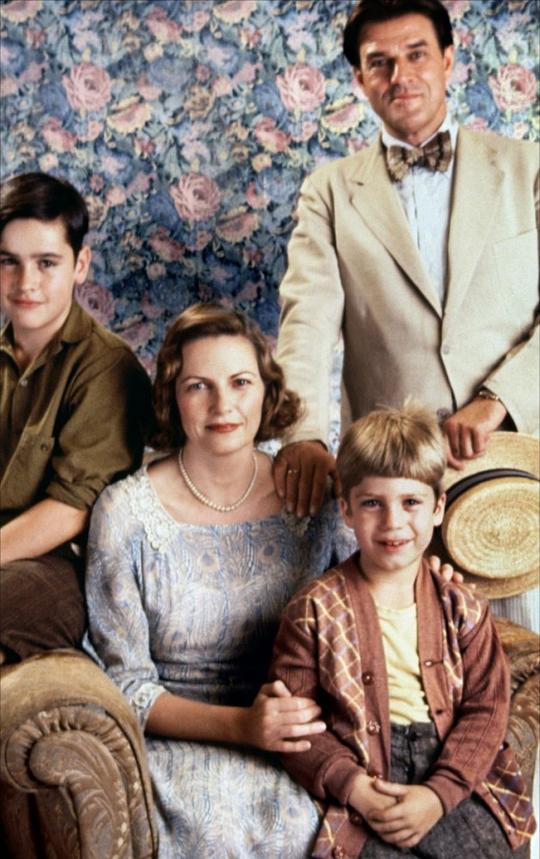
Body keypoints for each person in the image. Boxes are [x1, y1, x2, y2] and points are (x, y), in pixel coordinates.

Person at [84, 303, 360, 858]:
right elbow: (126, 687)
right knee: (220, 829)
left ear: (268, 391)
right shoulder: (124, 513)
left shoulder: (315, 497)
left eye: (240, 382)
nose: (222, 406)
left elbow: (373, 599)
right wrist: (243, 727)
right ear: (171, 397)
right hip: (179, 740)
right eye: (198, 387)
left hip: (304, 733)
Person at [274, 0, 538, 521]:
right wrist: (302, 434)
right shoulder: (327, 191)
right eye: (380, 62)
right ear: (359, 78)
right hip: (390, 486)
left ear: (447, 59)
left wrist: (499, 400)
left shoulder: (529, 169)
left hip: (523, 456)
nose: (400, 77)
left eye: (416, 54)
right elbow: (306, 322)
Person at [270, 402, 535, 859]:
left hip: (452, 771)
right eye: (372, 503)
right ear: (346, 509)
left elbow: (487, 711)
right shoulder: (313, 610)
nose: (393, 522)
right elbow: (298, 728)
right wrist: (355, 788)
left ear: (438, 507)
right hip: (364, 775)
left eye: (411, 502)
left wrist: (438, 794)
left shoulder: (464, 608)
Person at [0, 172, 151, 663]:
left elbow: (71, 509)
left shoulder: (105, 366)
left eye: (46, 263)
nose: (26, 283)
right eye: (8, 262)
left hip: (55, 565)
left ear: (80, 265)